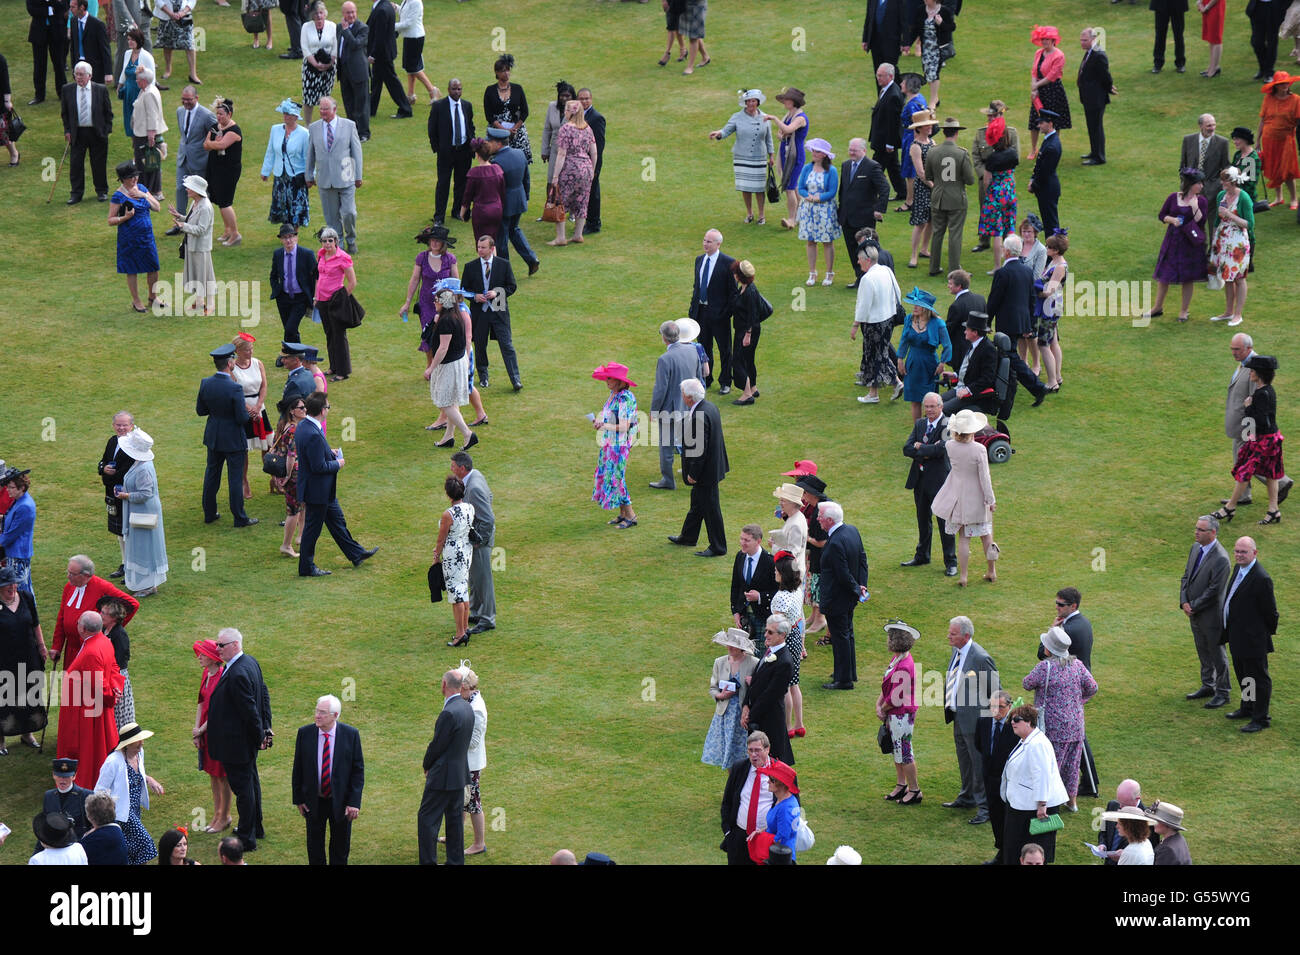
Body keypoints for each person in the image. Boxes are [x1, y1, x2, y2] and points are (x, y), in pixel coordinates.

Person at [295, 390, 377, 576]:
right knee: (312, 531)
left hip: (321, 490)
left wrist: (327, 452)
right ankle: (306, 568)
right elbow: (318, 467)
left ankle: (356, 554)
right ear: (322, 410)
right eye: (328, 407)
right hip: (317, 491)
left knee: (337, 522)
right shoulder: (313, 432)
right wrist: (337, 463)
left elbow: (312, 455)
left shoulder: (304, 426)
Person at [205, 627, 272, 851]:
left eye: (221, 645)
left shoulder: (238, 673)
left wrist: (260, 734)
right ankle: (256, 828)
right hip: (244, 742)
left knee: (244, 790)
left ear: (235, 645)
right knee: (251, 784)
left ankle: (246, 837)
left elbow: (250, 710)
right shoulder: (249, 662)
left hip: (237, 745)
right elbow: (263, 693)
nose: (217, 649)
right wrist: (266, 729)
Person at [1023, 626, 1098, 812]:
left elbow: (1027, 683)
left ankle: (1046, 803)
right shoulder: (1078, 665)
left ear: (1048, 649)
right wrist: (1079, 702)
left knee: (1050, 765)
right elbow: (1093, 687)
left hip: (1053, 726)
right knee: (1073, 765)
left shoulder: (1044, 667)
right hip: (1076, 724)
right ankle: (1072, 801)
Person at [291, 693, 363, 865]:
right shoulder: (305, 733)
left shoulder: (350, 735)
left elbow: (357, 771)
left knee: (340, 847)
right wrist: (299, 799)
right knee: (314, 847)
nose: (317, 715)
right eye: (317, 711)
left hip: (341, 802)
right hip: (314, 800)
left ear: (335, 716)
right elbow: (298, 768)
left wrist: (354, 802)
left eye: (322, 712)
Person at [930, 408, 998, 585]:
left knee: (963, 538)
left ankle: (964, 576)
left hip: (957, 496)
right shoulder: (979, 450)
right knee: (987, 536)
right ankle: (991, 571)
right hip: (976, 496)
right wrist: (991, 500)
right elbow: (985, 478)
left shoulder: (950, 445)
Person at [56, 611, 123, 788]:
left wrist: (111, 695)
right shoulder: (103, 641)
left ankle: (86, 782)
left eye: (78, 623)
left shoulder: (91, 652)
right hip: (92, 707)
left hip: (87, 712)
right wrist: (116, 688)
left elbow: (99, 685)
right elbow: (114, 667)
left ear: (83, 629)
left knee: (87, 751)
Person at [1220, 535, 1279, 732]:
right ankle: (1248, 707)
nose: (1239, 555)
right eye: (1236, 551)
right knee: (1244, 674)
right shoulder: (1239, 568)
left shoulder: (1261, 578)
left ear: (1255, 553)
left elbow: (1271, 612)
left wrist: (1260, 634)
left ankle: (1260, 718)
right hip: (1237, 636)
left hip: (1253, 640)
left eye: (1243, 552)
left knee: (1258, 679)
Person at [1217, 354, 1284, 526]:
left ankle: (1230, 507)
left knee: (1244, 472)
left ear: (1259, 374)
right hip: (1272, 437)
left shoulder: (1261, 394)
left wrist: (1248, 408)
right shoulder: (1269, 390)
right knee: (1270, 474)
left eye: (1252, 371)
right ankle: (1273, 509)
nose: (1250, 373)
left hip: (1263, 440)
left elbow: (1260, 420)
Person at [417, 669, 474, 865]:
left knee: (427, 820)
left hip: (442, 777)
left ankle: (428, 861)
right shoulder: (467, 708)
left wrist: (427, 765)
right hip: (459, 776)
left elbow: (437, 745)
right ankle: (456, 861)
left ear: (444, 685)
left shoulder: (449, 713)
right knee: (455, 822)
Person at [1000, 703, 1068, 864]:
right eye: (1011, 719)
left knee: (1030, 848)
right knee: (1014, 847)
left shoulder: (1037, 744)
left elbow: (1042, 775)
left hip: (1033, 808)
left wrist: (1042, 805)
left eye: (1017, 719)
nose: (1012, 722)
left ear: (1029, 722)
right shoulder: (1027, 740)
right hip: (1023, 804)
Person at [668, 378, 729, 556]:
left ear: (688, 397)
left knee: (711, 508)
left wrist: (693, 473)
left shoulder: (698, 416)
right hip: (712, 467)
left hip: (705, 472)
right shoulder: (710, 407)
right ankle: (688, 536)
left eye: (683, 394)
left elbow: (699, 449)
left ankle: (718, 546)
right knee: (697, 503)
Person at [197, 343, 254, 526]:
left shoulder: (206, 383)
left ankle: (209, 513)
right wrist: (249, 415)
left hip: (214, 436)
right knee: (235, 479)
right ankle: (239, 518)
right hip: (233, 439)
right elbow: (241, 417)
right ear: (229, 363)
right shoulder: (235, 388)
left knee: (212, 474)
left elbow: (200, 410)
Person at [902, 392, 958, 575]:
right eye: (926, 406)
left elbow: (941, 450)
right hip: (920, 480)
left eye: (932, 406)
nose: (929, 410)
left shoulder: (948, 424)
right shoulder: (920, 423)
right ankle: (922, 555)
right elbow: (907, 448)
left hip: (940, 480)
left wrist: (921, 448)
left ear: (941, 406)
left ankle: (951, 562)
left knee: (944, 522)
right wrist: (925, 450)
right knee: (922, 519)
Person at [1181, 514, 1232, 706]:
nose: (1196, 532)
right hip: (1194, 612)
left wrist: (1193, 605)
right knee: (1202, 649)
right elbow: (1186, 576)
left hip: (1211, 616)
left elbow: (1214, 591)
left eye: (1201, 530)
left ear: (1213, 532)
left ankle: (1223, 692)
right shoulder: (1196, 548)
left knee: (1217, 654)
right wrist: (1184, 601)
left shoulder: (1221, 558)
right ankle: (1208, 684)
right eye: (1196, 528)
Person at [93, 721, 162, 864]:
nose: (141, 743)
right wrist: (106, 814)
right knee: (145, 844)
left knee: (129, 848)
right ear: (127, 744)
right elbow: (99, 791)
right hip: (121, 812)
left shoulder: (139, 753)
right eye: (137, 741)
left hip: (135, 808)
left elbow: (138, 774)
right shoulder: (113, 762)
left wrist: (149, 779)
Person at [817, 500, 868, 690]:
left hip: (837, 598)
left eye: (820, 516)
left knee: (840, 637)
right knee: (847, 634)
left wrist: (857, 588)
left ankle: (843, 680)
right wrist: (862, 586)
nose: (818, 519)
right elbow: (863, 559)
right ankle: (847, 672)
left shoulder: (836, 542)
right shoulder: (851, 531)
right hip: (848, 596)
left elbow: (842, 573)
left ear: (829, 520)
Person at [48, 556, 137, 665]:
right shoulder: (69, 587)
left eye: (72, 574)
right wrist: (57, 646)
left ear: (85, 575)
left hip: (91, 651)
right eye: (68, 572)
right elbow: (62, 617)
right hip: (71, 651)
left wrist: (110, 628)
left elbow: (132, 604)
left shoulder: (102, 587)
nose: (68, 576)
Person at [461, 235, 522, 391]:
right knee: (480, 345)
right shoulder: (470, 267)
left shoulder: (504, 265)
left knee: (507, 345)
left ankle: (515, 379)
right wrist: (474, 296)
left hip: (499, 311)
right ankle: (483, 377)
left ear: (491, 248)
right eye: (478, 247)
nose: (479, 250)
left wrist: (497, 293)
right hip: (479, 313)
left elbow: (512, 286)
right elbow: (463, 290)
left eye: (483, 247)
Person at [305, 95, 363, 254]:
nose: (323, 112)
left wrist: (358, 175)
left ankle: (351, 237)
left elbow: (357, 152)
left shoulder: (349, 125)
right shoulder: (314, 127)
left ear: (334, 110)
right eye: (321, 109)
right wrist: (309, 175)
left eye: (326, 109)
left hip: (346, 176)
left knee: (349, 212)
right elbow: (310, 153)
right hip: (325, 179)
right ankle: (340, 245)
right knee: (331, 217)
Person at [113, 427, 167, 598]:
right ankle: (144, 583)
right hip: (140, 511)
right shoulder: (140, 464)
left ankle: (148, 585)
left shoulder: (143, 468)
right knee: (140, 547)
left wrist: (126, 495)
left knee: (144, 548)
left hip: (144, 513)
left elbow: (146, 493)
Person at [1149, 169, 1208, 323]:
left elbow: (1201, 222)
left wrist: (1195, 207)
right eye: (1198, 183)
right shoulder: (1173, 197)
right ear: (1190, 184)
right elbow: (1162, 215)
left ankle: (1184, 311)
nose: (1201, 186)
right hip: (1173, 241)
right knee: (1164, 276)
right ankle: (1157, 307)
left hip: (1190, 243)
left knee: (1188, 278)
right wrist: (1172, 220)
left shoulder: (1201, 201)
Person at [708, 90, 775, 224]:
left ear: (758, 102)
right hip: (742, 157)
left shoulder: (765, 117)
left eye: (754, 101)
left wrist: (771, 155)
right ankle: (749, 213)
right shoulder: (737, 117)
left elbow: (769, 138)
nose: (751, 103)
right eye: (748, 101)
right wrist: (718, 134)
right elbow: (726, 130)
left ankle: (762, 215)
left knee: (759, 188)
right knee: (746, 187)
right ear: (745, 103)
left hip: (759, 157)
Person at [0, 564, 47, 755]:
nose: (12, 589)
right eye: (7, 586)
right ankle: (1, 741)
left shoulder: (26, 598)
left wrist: (42, 646)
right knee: (4, 698)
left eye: (14, 585)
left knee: (30, 695)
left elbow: (35, 624)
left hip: (29, 657)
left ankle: (27, 734)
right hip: (4, 660)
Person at [876, 619, 922, 805]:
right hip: (895, 713)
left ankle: (914, 790)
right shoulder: (899, 658)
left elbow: (896, 698)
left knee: (904, 752)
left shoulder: (904, 665)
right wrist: (879, 702)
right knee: (897, 750)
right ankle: (901, 784)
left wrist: (882, 709)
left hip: (901, 714)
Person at [686, 229, 738, 393]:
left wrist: (725, 313)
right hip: (701, 312)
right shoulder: (699, 260)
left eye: (709, 241)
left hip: (719, 314)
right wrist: (693, 308)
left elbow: (733, 293)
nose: (705, 244)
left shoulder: (729, 263)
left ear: (718, 244)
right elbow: (697, 286)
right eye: (704, 240)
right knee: (704, 348)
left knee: (724, 349)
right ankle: (706, 379)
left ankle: (725, 381)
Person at [649, 320, 698, 490]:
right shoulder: (693, 350)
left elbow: (660, 389)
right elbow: (700, 379)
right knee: (690, 443)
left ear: (664, 338)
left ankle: (668, 480)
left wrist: (654, 411)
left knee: (666, 446)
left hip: (670, 410)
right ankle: (694, 475)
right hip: (691, 406)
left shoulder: (665, 359)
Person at [851, 244, 902, 404]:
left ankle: (896, 383)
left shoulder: (867, 279)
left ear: (867, 260)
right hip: (888, 318)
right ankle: (874, 393)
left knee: (876, 356)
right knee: (878, 355)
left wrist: (855, 325)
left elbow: (863, 305)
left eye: (859, 260)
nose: (858, 263)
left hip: (874, 323)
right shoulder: (885, 270)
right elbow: (897, 291)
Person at [590, 362, 638, 529]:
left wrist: (604, 426)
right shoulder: (613, 394)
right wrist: (600, 422)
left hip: (619, 445)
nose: (606, 380)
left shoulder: (625, 398)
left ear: (619, 381)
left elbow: (624, 427)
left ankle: (631, 515)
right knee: (611, 475)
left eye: (610, 378)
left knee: (617, 478)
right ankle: (623, 514)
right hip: (610, 442)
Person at [741, 616, 795, 765]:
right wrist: (746, 705)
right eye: (766, 631)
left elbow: (770, 695)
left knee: (773, 764)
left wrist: (750, 715)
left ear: (782, 635)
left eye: (770, 632)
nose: (765, 635)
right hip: (758, 716)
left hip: (770, 721)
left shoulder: (784, 661)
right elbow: (755, 681)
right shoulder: (770, 652)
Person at [191, 637, 232, 833]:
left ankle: (224, 816)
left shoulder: (223, 677)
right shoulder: (206, 674)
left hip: (219, 733)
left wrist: (201, 729)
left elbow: (219, 711)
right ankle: (218, 814)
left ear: (214, 658)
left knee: (222, 776)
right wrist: (196, 729)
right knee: (212, 775)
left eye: (203, 654)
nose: (199, 657)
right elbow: (201, 702)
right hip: (206, 732)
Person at [484, 127, 539, 272]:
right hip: (519, 200)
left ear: (498, 144)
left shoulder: (496, 163)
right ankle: (532, 259)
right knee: (514, 230)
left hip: (503, 205)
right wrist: (525, 197)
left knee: (501, 238)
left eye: (490, 141)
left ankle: (504, 271)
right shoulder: (520, 154)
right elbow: (526, 179)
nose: (487, 144)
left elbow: (493, 188)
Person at [108, 160, 160, 313]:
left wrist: (142, 194)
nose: (135, 179)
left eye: (136, 176)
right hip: (129, 237)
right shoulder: (118, 196)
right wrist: (125, 218)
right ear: (123, 179)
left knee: (153, 267)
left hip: (147, 236)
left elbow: (157, 207)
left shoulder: (142, 188)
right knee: (132, 269)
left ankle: (153, 297)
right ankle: (136, 300)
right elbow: (110, 220)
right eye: (131, 177)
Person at [703, 627, 758, 768]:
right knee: (728, 756)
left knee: (744, 755)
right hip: (724, 715)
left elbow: (760, 690)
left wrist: (753, 684)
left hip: (743, 715)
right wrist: (720, 695)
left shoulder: (754, 663)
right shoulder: (719, 662)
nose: (730, 647)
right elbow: (713, 688)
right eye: (729, 644)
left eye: (734, 645)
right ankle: (733, 786)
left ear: (742, 648)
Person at [60, 61, 114, 205]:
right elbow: (65, 114)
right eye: (76, 74)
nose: (78, 77)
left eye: (81, 75)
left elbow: (108, 112)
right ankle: (76, 194)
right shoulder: (67, 89)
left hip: (97, 132)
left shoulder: (100, 89)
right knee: (76, 164)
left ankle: (101, 191)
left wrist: (106, 131)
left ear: (89, 75)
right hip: (77, 132)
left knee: (99, 164)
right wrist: (67, 130)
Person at [719, 731, 776, 865]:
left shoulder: (779, 772)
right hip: (739, 838)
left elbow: (792, 805)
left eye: (758, 750)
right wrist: (728, 832)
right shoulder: (739, 768)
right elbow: (727, 802)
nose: (754, 755)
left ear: (767, 749)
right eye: (750, 750)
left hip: (765, 838)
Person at [838, 139, 889, 287]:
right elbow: (843, 191)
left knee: (867, 251)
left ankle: (871, 279)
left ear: (864, 151)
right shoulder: (846, 165)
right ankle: (860, 278)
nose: (852, 152)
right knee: (852, 250)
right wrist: (840, 212)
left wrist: (879, 209)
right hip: (847, 217)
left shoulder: (872, 167)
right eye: (850, 149)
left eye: (855, 150)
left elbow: (884, 188)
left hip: (864, 218)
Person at [1207, 167, 1254, 326]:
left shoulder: (1244, 198)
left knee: (1239, 278)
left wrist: (1229, 214)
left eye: (1225, 180)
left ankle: (1238, 314)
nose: (1222, 183)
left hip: (1238, 242)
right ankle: (1228, 312)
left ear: (1233, 182)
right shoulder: (1221, 195)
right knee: (1227, 276)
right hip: (1223, 240)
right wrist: (1214, 240)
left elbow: (1249, 224)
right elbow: (1216, 220)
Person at [896, 288, 952, 419]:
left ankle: (931, 429)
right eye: (914, 304)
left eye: (919, 305)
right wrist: (900, 359)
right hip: (912, 363)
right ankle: (918, 430)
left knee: (930, 402)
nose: (915, 307)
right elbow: (904, 340)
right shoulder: (909, 319)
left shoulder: (938, 323)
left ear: (926, 308)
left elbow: (947, 345)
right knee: (915, 400)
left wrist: (942, 363)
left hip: (929, 365)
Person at [549, 99, 597, 245]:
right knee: (583, 201)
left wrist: (555, 176)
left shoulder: (565, 129)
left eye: (566, 110)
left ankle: (561, 238)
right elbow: (594, 153)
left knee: (561, 201)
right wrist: (592, 171)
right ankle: (578, 234)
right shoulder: (588, 128)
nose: (565, 112)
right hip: (586, 168)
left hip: (570, 168)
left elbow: (562, 154)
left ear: (571, 112)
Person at [794, 139, 841, 287]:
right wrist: (807, 196)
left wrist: (818, 197)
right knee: (811, 241)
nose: (814, 153)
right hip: (808, 209)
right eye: (813, 150)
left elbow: (832, 191)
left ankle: (829, 272)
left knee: (827, 241)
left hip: (825, 210)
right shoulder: (808, 168)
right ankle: (812, 272)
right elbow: (800, 187)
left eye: (817, 151)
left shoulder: (831, 171)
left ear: (825, 155)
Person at [312, 227, 357, 381]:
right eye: (324, 241)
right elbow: (319, 277)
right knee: (329, 334)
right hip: (322, 301)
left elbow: (352, 282)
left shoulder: (343, 257)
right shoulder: (321, 254)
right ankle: (333, 366)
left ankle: (343, 371)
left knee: (339, 336)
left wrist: (341, 299)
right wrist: (316, 296)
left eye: (330, 240)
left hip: (335, 301)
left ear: (336, 241)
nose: (327, 244)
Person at [483, 53, 532, 194]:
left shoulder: (517, 89)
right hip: (497, 132)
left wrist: (514, 128)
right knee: (495, 164)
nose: (507, 73)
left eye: (508, 69)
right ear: (497, 73)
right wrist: (503, 130)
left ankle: (522, 193)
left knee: (520, 164)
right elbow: (489, 115)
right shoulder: (490, 90)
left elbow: (525, 112)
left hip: (517, 133)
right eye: (504, 70)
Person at [762, 86, 808, 231]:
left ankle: (791, 220)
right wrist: (781, 134)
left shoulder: (800, 118)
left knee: (789, 187)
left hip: (795, 155)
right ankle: (805, 214)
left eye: (786, 100)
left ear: (794, 101)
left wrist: (774, 118)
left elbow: (788, 129)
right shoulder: (789, 115)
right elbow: (782, 132)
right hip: (785, 152)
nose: (784, 102)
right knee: (792, 185)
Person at [431, 79, 474, 225]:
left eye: (459, 89)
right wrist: (438, 148)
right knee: (443, 184)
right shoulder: (439, 106)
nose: (457, 92)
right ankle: (439, 216)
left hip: (463, 151)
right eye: (454, 89)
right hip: (446, 153)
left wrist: (471, 145)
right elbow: (432, 129)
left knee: (461, 183)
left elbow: (470, 126)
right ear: (448, 89)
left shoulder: (467, 106)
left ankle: (457, 211)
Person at [261, 98, 310, 228]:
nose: (285, 116)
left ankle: (294, 232)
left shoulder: (304, 134)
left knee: (295, 206)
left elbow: (308, 157)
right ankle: (287, 232)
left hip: (296, 177)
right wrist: (265, 171)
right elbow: (270, 152)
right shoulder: (275, 129)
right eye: (284, 113)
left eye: (288, 114)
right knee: (282, 205)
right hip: (280, 175)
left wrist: (311, 176)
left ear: (295, 116)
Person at [170, 174, 216, 314]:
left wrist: (183, 226)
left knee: (205, 275)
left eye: (189, 188)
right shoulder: (195, 203)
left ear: (197, 190)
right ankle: (199, 301)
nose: (187, 190)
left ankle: (210, 304)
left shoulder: (205, 207)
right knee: (197, 275)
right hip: (192, 245)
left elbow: (201, 229)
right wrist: (180, 216)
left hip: (200, 247)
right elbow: (191, 219)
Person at [977, 118, 1018, 264]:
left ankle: (997, 266)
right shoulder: (1013, 153)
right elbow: (1012, 172)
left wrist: (990, 193)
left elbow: (987, 180)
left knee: (997, 232)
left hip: (996, 194)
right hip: (1010, 192)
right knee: (1010, 228)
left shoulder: (992, 158)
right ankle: (1012, 262)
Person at [171, 86, 213, 229]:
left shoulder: (206, 115)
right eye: (183, 99)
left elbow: (214, 135)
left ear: (196, 98)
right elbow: (185, 136)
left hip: (199, 160)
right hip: (183, 157)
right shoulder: (180, 111)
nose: (185, 103)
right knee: (180, 189)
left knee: (201, 193)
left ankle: (202, 224)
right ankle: (180, 224)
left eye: (189, 100)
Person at [1257, 72, 1300, 209]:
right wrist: (1257, 140)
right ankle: (1279, 197)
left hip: (1287, 140)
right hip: (1269, 139)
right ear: (1275, 86)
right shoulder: (1268, 99)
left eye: (1287, 83)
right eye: (1282, 84)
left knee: (1288, 170)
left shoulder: (1296, 100)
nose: (1285, 86)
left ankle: (1294, 198)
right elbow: (1263, 120)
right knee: (1273, 168)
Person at [748, 760, 803, 864]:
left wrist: (761, 839)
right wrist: (761, 831)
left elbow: (781, 838)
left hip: (780, 858)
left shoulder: (786, 808)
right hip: (777, 854)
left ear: (781, 784)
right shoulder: (782, 799)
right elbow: (778, 826)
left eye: (771, 779)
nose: (768, 781)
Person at [1028, 26, 1070, 159]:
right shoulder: (1038, 53)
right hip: (1039, 88)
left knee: (1053, 121)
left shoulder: (1059, 55)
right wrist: (1034, 88)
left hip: (1053, 90)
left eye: (1047, 39)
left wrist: (1036, 86)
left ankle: (1053, 148)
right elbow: (1034, 71)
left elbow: (1052, 76)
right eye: (1043, 39)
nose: (1044, 41)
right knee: (1035, 119)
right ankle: (1034, 148)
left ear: (1053, 40)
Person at [726, 260, 766, 405]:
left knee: (737, 361)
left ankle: (747, 394)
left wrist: (747, 335)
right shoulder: (744, 287)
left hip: (746, 331)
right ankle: (753, 387)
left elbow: (753, 315)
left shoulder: (750, 292)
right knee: (749, 359)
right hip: (745, 329)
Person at [269, 224, 317, 343]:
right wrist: (276, 289)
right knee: (289, 329)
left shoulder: (306, 254)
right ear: (281, 240)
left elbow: (317, 276)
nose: (288, 240)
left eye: (291, 237)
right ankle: (294, 356)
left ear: (296, 238)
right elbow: (273, 275)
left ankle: (287, 353)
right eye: (285, 238)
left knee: (290, 328)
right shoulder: (278, 254)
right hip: (283, 298)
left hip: (300, 298)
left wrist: (315, 295)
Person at [1076, 28, 1115, 166]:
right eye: (1081, 40)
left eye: (1085, 40)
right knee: (1091, 126)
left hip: (1096, 98)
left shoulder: (1098, 55)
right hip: (1089, 97)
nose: (1082, 43)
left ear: (1093, 40)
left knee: (1096, 126)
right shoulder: (1090, 53)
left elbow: (1105, 75)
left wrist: (1109, 87)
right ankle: (1094, 152)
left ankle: (1099, 157)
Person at [366, 0, 409, 120]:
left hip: (382, 55)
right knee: (376, 82)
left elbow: (380, 36)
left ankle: (405, 108)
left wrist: (373, 55)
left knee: (392, 82)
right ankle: (371, 109)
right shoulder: (385, 6)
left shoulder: (381, 9)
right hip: (384, 52)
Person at [128, 65, 165, 199]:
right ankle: (150, 190)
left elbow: (152, 115)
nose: (136, 81)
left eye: (138, 79)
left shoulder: (149, 93)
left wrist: (151, 135)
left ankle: (152, 191)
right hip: (142, 133)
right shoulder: (145, 90)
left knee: (148, 163)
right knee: (146, 163)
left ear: (144, 81)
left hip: (146, 135)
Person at [335, 2, 369, 140]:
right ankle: (352, 130)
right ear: (343, 14)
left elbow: (355, 44)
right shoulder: (339, 27)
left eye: (353, 12)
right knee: (348, 102)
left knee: (361, 105)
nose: (351, 15)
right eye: (348, 12)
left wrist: (345, 30)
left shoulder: (363, 28)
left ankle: (364, 133)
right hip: (344, 71)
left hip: (358, 71)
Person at [460, 139, 504, 244]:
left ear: (477, 155)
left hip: (481, 213)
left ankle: (486, 261)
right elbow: (502, 193)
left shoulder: (474, 173)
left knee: (482, 244)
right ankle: (494, 260)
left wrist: (462, 213)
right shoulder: (497, 169)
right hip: (496, 210)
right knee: (492, 243)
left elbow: (467, 196)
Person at [299, 2, 336, 126]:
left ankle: (326, 123)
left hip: (329, 67)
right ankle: (308, 125)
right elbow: (305, 48)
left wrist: (329, 63)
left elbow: (335, 47)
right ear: (312, 15)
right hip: (310, 68)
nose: (319, 16)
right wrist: (315, 64)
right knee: (309, 99)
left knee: (325, 98)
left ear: (324, 13)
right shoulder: (306, 27)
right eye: (316, 14)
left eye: (321, 13)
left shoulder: (332, 26)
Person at [27, 0, 70, 105]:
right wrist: (49, 9)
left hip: (57, 31)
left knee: (59, 64)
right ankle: (39, 95)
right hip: (39, 32)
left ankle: (62, 93)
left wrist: (50, 3)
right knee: (39, 65)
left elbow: (63, 6)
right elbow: (32, 9)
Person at [1028, 109, 1063, 236]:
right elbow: (1039, 164)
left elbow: (1045, 171)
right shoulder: (1049, 140)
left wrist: (1034, 185)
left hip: (1047, 189)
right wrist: (1032, 178)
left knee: (1051, 224)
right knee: (1049, 222)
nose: (1039, 126)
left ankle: (1054, 252)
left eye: (1042, 123)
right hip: (1046, 187)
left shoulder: (1052, 145)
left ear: (1050, 123)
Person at [116, 27, 154, 140]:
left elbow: (152, 77)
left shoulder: (147, 56)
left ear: (139, 40)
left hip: (140, 92)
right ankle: (135, 147)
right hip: (128, 91)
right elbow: (124, 71)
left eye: (132, 39)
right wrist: (120, 85)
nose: (130, 42)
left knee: (140, 120)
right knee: (129, 119)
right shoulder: (127, 54)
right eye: (128, 39)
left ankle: (142, 145)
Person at [396, 0, 436, 105]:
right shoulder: (407, 1)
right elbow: (405, 13)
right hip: (409, 37)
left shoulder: (416, 2)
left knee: (414, 68)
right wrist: (396, 8)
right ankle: (410, 95)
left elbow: (409, 23)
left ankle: (432, 91)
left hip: (415, 38)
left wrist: (392, 25)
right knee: (410, 68)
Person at [540, 80, 576, 191]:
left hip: (570, 153)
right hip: (555, 151)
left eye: (567, 96)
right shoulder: (552, 107)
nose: (564, 99)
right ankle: (551, 206)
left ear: (572, 97)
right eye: (562, 96)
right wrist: (545, 150)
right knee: (551, 181)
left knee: (566, 183)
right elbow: (547, 130)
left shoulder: (577, 110)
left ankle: (564, 207)